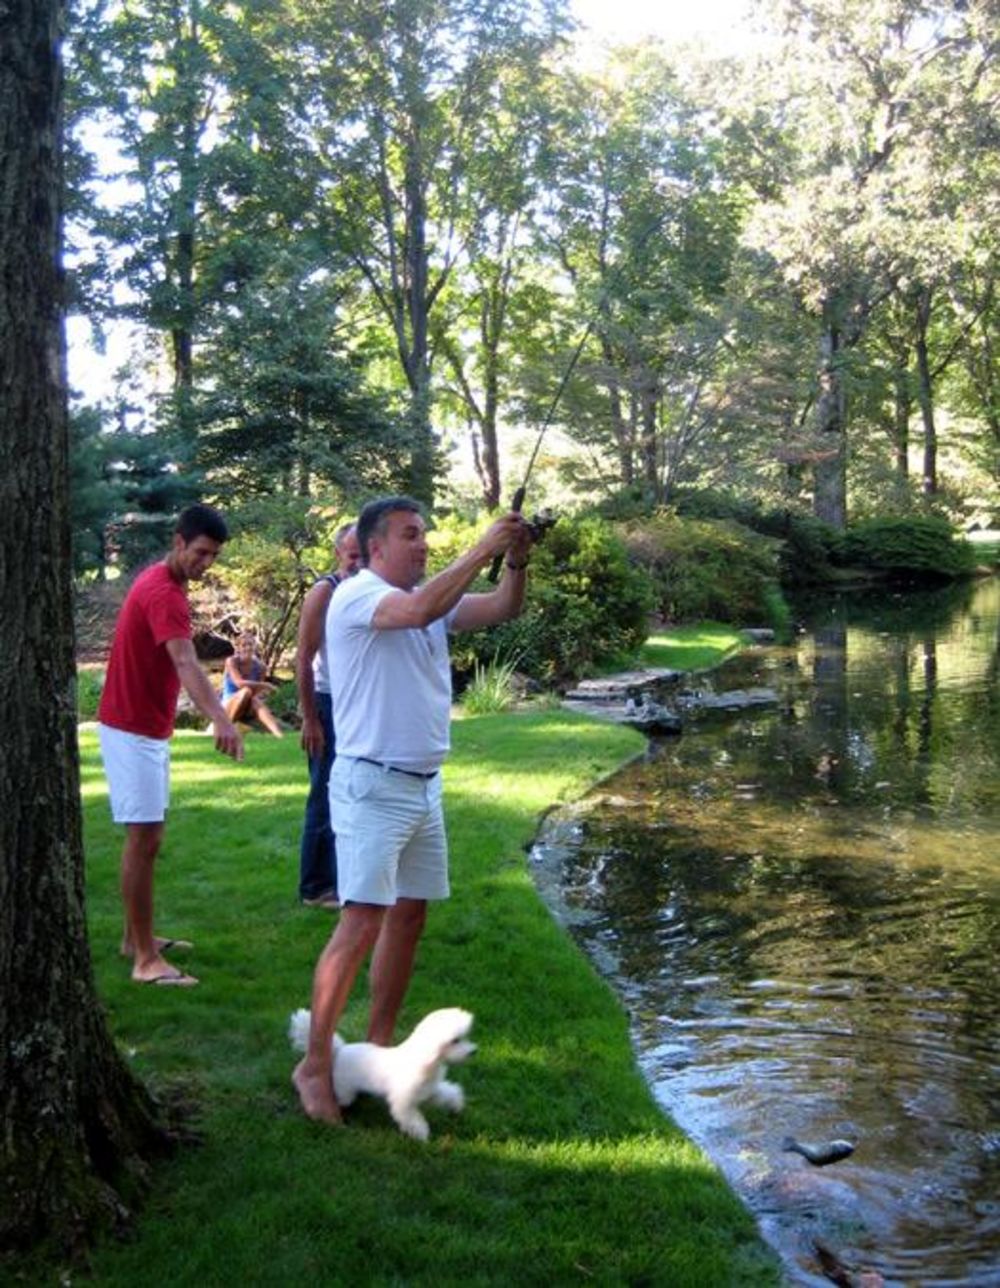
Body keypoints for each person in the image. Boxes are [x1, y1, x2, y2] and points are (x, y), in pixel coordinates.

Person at [292, 495, 532, 1122]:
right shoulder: (357, 595)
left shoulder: (429, 604)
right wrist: (482, 546)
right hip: (372, 785)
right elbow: (422, 604)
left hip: (424, 785)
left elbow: (505, 607)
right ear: (375, 547)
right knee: (361, 921)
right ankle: (314, 1067)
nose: (422, 544)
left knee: (409, 916)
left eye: (424, 534)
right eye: (410, 535)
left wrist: (515, 561)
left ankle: (375, 1048)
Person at [97, 503, 245, 987]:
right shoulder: (164, 592)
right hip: (131, 729)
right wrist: (222, 718)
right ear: (179, 542)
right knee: (143, 841)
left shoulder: (165, 583)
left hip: (144, 728)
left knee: (148, 839)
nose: (206, 563)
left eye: (214, 556)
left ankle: (132, 938)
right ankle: (144, 959)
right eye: (201, 552)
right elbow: (185, 663)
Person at [295, 522, 362, 908]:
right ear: (338, 553)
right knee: (323, 793)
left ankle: (344, 880)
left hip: (358, 706)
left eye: (363, 556)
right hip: (328, 703)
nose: (357, 563)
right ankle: (315, 887)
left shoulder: (370, 592)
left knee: (351, 793)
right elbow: (302, 657)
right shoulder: (326, 591)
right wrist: (309, 718)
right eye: (352, 556)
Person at [222, 630, 284, 736]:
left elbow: (257, 692)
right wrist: (266, 685)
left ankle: (279, 735)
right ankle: (226, 729)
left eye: (250, 644)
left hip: (248, 706)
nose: (247, 648)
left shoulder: (261, 667)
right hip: (230, 704)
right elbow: (239, 683)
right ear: (238, 648)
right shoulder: (232, 661)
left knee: (254, 700)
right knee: (246, 691)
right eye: (244, 645)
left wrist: (262, 692)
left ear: (254, 646)